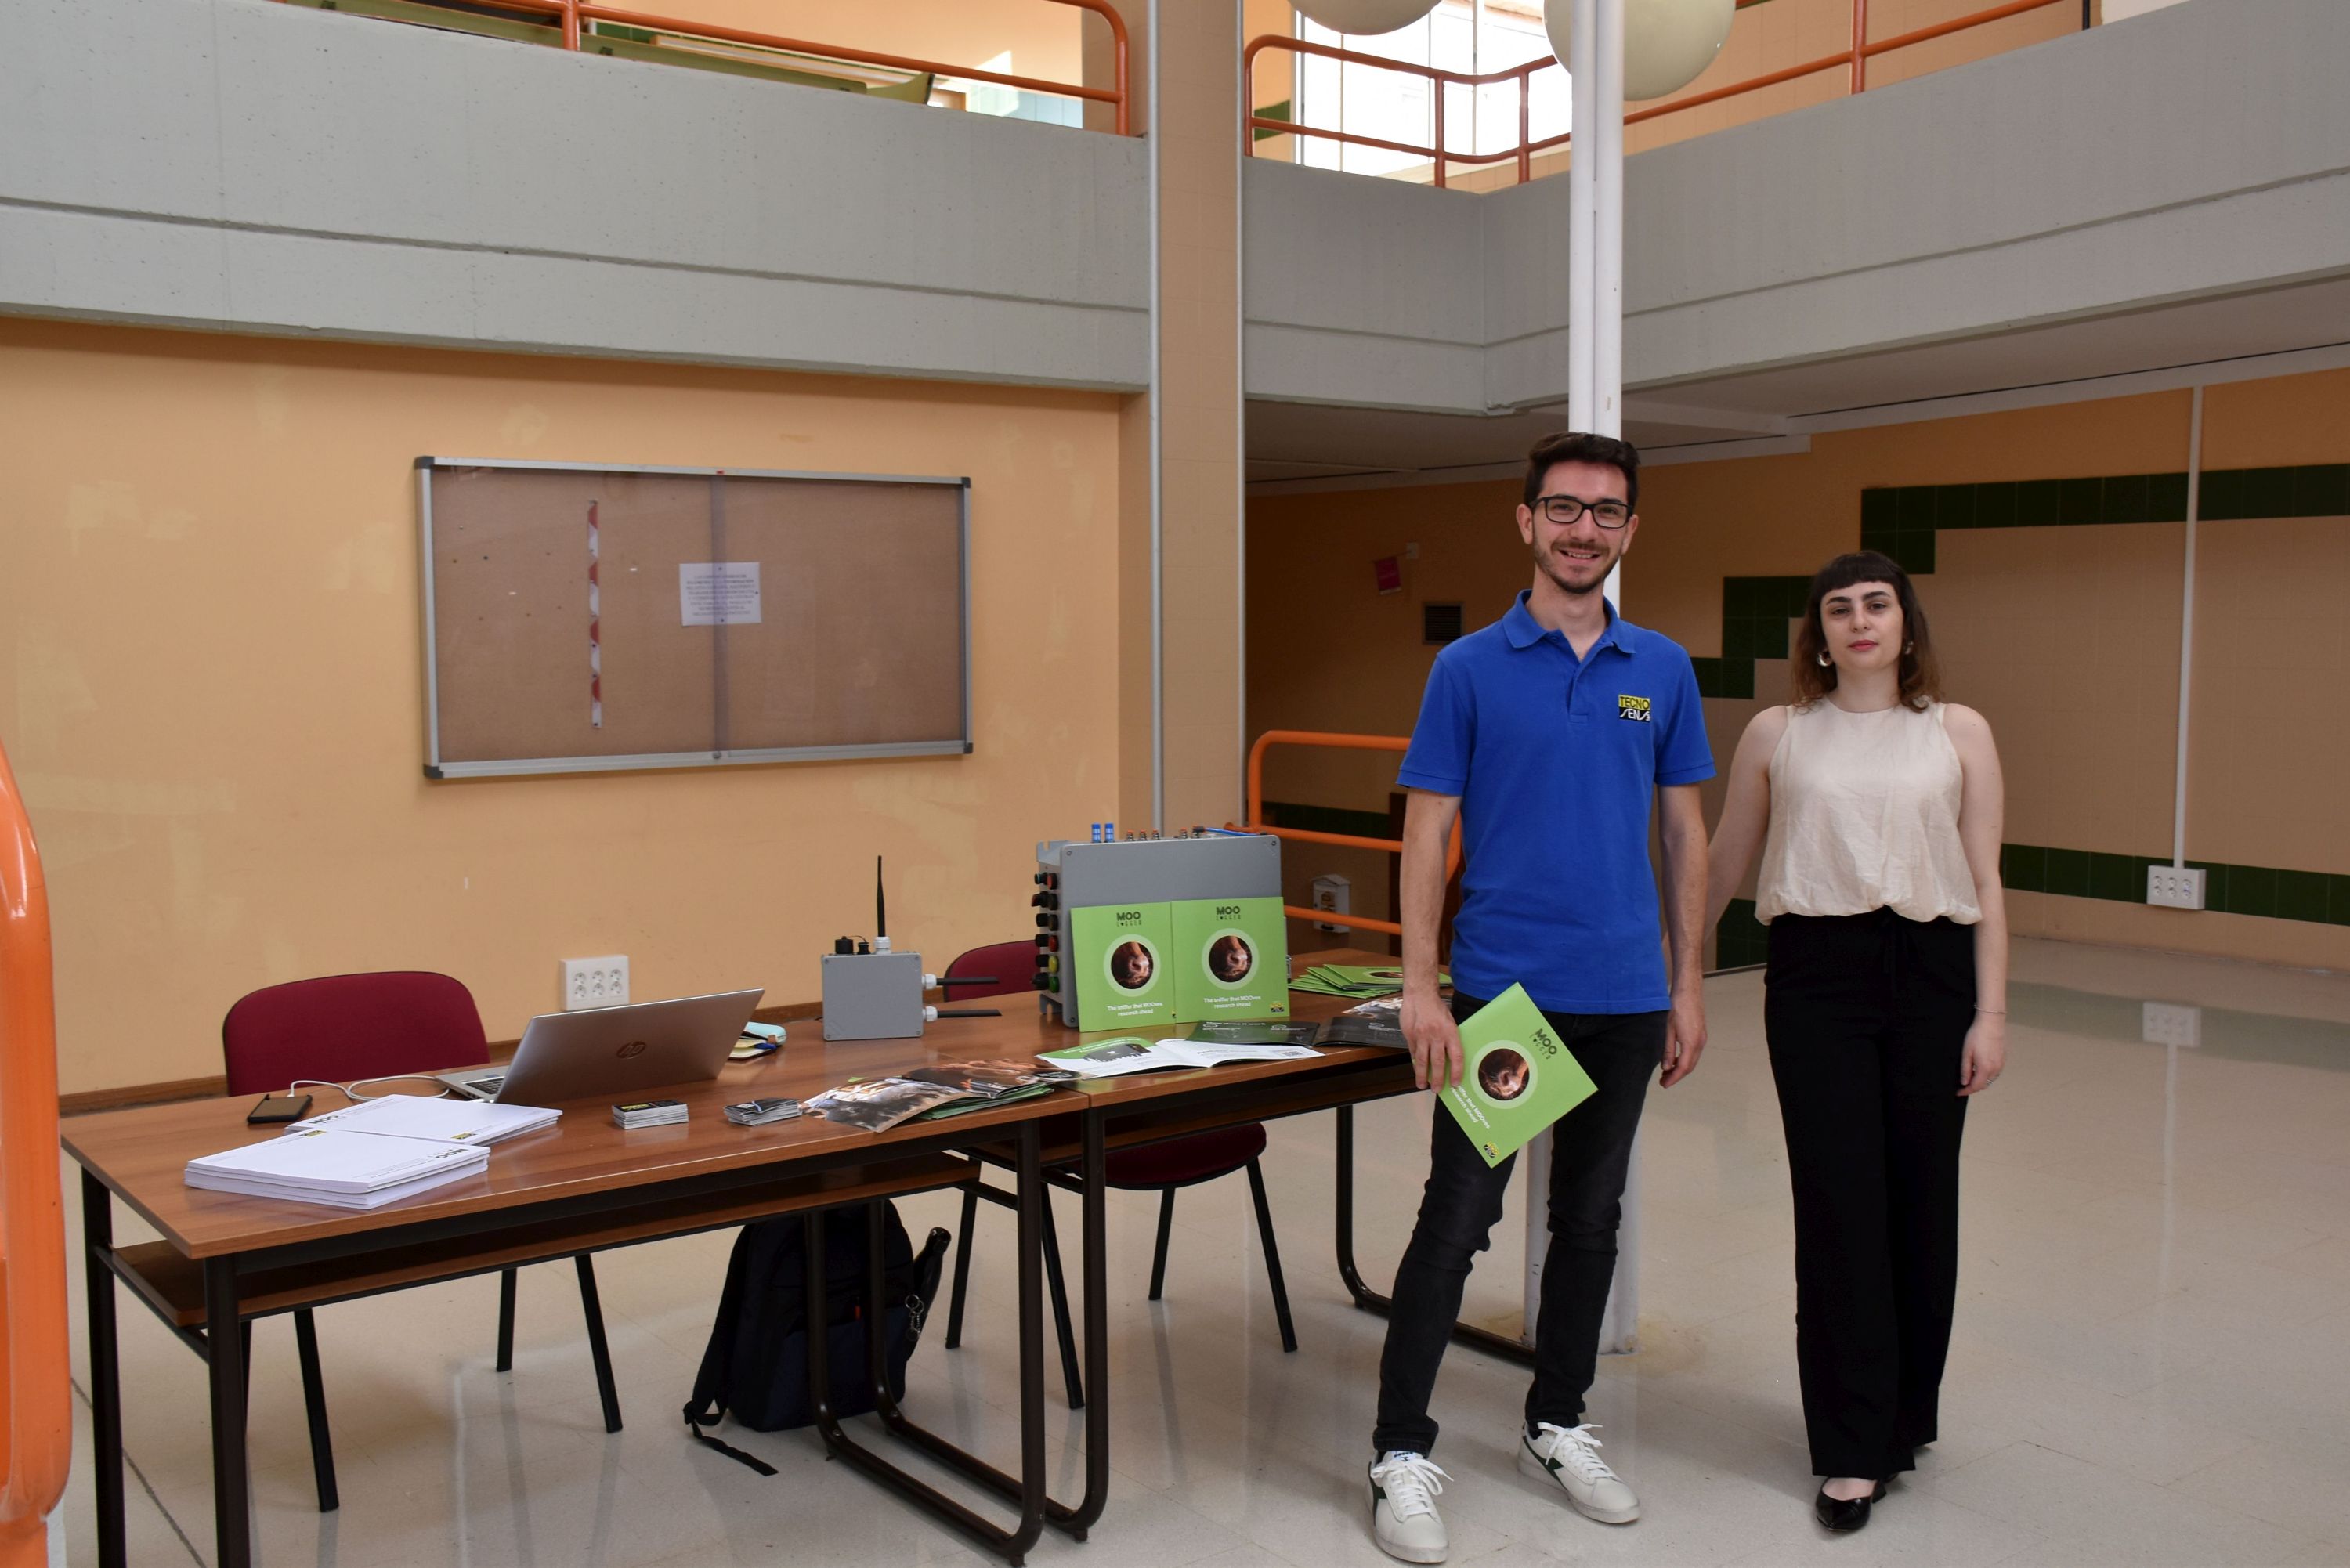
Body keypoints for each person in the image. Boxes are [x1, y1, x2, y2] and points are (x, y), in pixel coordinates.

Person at [1368, 432, 1714, 1565]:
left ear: (1630, 530)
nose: (1583, 529)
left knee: (1592, 1219)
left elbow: (1684, 833)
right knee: (1458, 1221)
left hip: (1626, 993)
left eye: (1606, 511)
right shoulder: (1468, 668)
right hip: (1506, 996)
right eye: (1563, 507)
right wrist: (1422, 985)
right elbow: (1427, 829)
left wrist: (1686, 982)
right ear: (1527, 520)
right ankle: (1399, 1450)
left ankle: (1555, 1423)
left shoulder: (1661, 668)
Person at [1703, 551, 2008, 1534]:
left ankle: (1903, 1416)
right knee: (1839, 1206)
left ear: (1907, 623)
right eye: (1840, 609)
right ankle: (1849, 1445)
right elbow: (1725, 860)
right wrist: (1672, 970)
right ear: (1819, 633)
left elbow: (1986, 881)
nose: (1860, 620)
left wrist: (1991, 1013)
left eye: (1878, 604)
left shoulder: (1958, 731)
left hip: (1932, 973)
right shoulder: (1779, 732)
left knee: (1921, 1200)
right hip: (1816, 977)